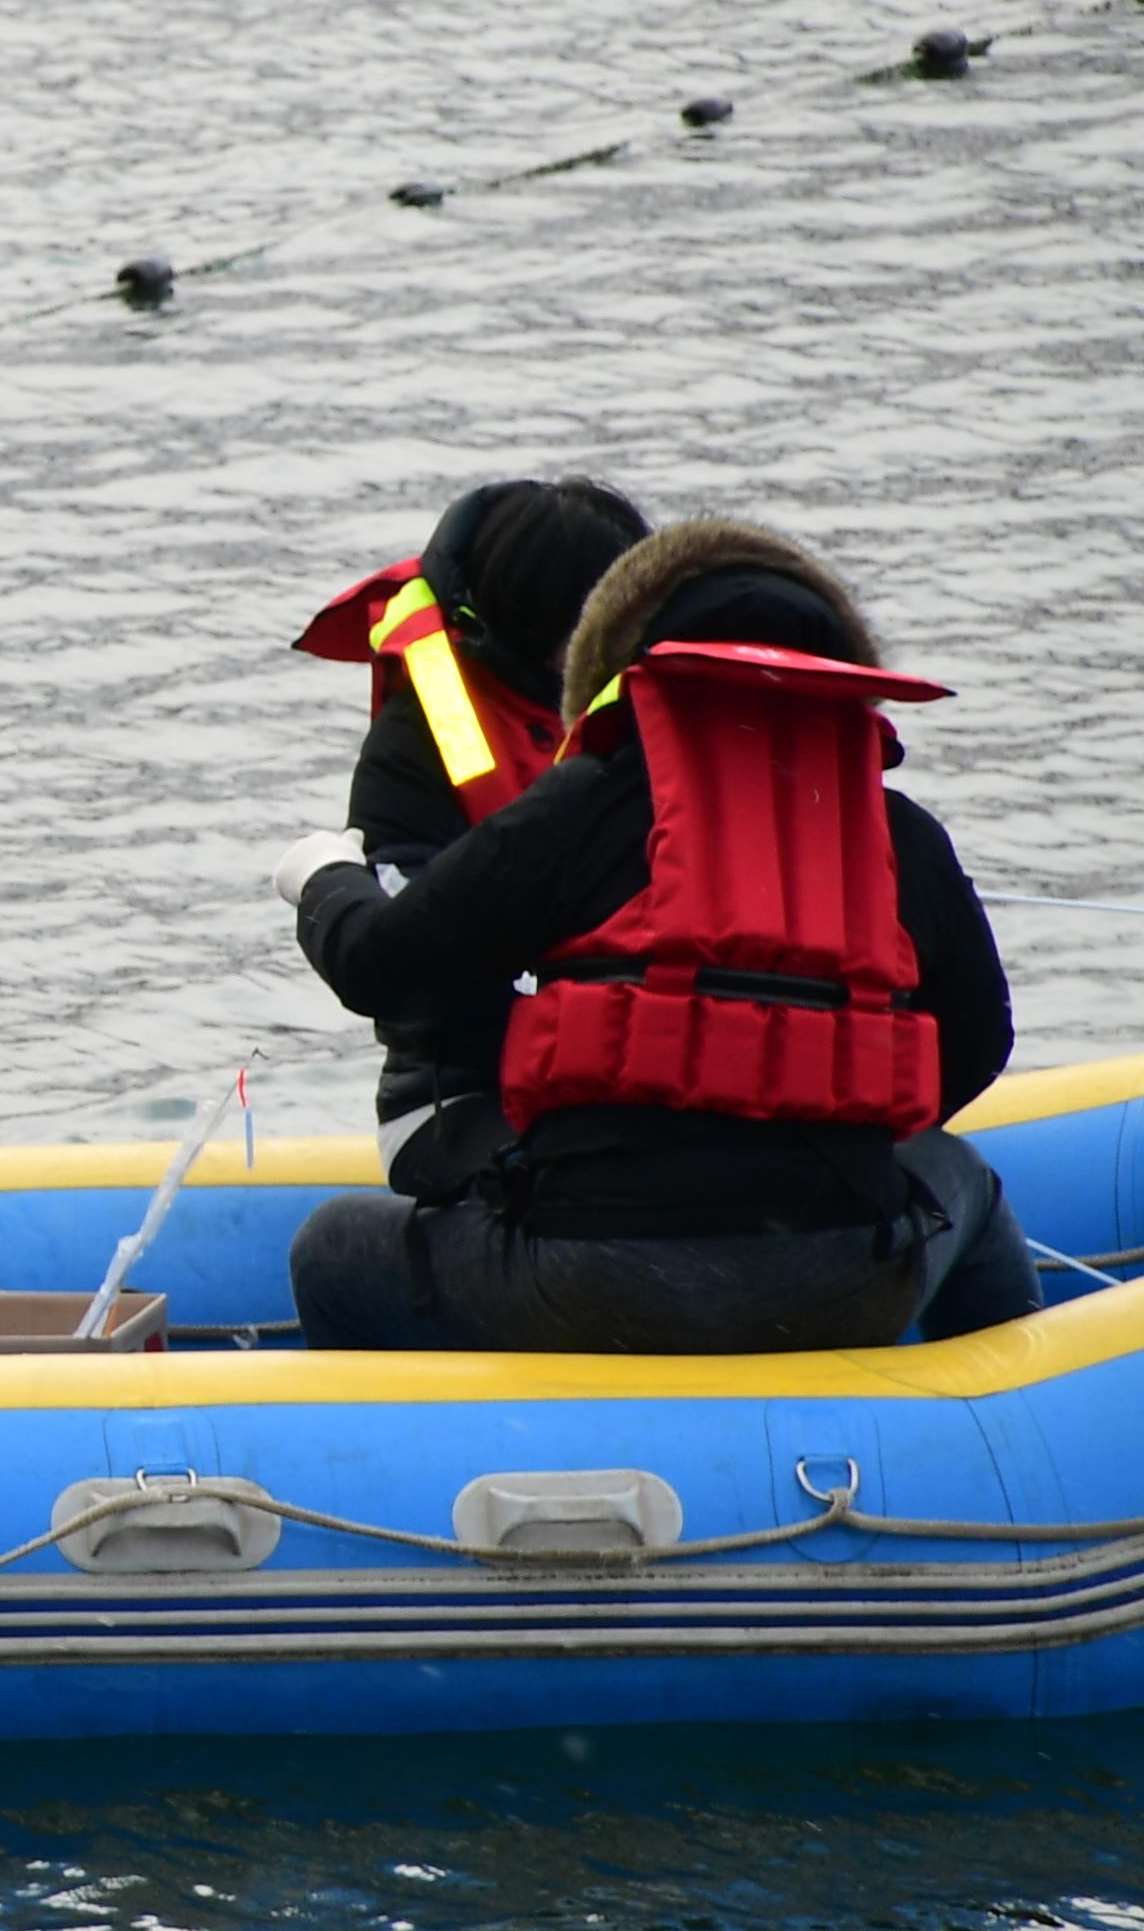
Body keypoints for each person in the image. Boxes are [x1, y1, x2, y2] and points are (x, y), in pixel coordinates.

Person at [274, 518, 1039, 1353]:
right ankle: (993, 1431)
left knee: (331, 1249)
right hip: (844, 1280)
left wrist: (323, 881)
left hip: (593, 1281)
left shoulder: (586, 807)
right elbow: (976, 1045)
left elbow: (385, 967)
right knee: (963, 1177)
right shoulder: (903, 835)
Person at [291, 479, 650, 1201]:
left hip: (639, 1082)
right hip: (459, 1099)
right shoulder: (425, 735)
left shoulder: (654, 726)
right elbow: (402, 965)